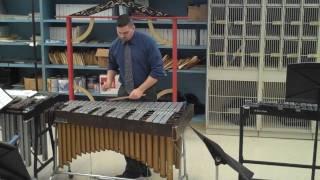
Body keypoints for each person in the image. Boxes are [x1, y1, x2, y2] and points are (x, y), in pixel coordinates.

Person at [102, 14, 165, 178]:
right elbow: (112, 64)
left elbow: (158, 71)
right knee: (124, 132)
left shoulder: (148, 43)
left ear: (133, 28)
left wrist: (140, 89)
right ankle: (134, 169)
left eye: (126, 33)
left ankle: (142, 166)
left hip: (146, 92)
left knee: (142, 133)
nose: (122, 36)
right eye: (119, 33)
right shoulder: (115, 45)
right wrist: (109, 80)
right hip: (124, 92)